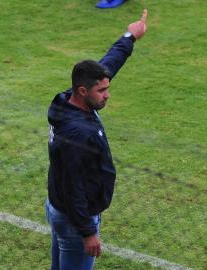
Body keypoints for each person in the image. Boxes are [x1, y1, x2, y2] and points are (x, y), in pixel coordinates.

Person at [45, 9, 148, 270]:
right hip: (73, 219)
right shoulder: (79, 133)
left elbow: (107, 65)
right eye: (102, 90)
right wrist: (88, 231)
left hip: (59, 207)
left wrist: (130, 36)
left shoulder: (69, 101)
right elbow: (73, 186)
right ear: (83, 91)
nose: (107, 95)